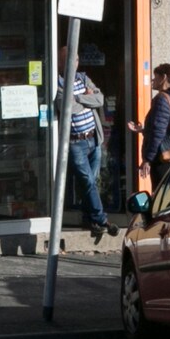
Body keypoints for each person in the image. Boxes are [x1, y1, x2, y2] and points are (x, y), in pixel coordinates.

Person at [65, 66, 113, 241]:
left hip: (93, 139)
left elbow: (99, 99)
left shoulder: (83, 78)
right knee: (88, 181)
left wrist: (77, 98)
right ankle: (101, 219)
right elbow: (66, 107)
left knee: (91, 183)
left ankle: (89, 220)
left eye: (76, 59)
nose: (73, 63)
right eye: (69, 59)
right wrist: (86, 97)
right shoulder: (58, 82)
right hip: (75, 142)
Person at [126, 63, 170, 189]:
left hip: (163, 160)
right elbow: (167, 128)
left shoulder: (162, 99)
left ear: (164, 78)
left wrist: (147, 159)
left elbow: (158, 133)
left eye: (155, 77)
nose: (152, 80)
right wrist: (143, 130)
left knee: (160, 199)